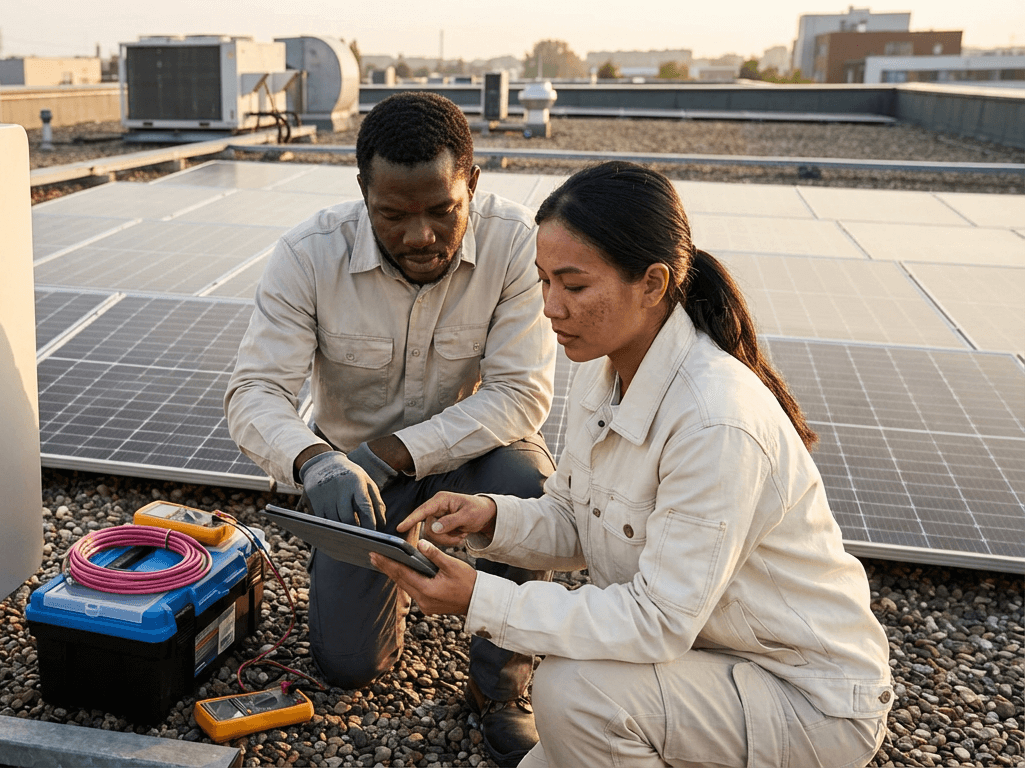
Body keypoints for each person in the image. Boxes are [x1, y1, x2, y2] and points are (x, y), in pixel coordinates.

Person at [372, 161, 895, 767]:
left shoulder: (714, 421)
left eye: (574, 285)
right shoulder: (610, 374)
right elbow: (578, 518)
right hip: (708, 664)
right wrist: (488, 518)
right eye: (542, 281)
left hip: (806, 697)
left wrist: (479, 600)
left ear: (652, 283)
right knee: (567, 723)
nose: (550, 308)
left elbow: (656, 621)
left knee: (574, 691)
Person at [225, 92, 557, 766]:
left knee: (531, 486)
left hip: (472, 466)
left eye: (442, 212)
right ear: (362, 193)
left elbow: (521, 394)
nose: (419, 237)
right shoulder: (309, 254)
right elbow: (254, 392)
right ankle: (380, 580)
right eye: (392, 215)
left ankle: (502, 681)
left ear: (474, 183)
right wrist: (317, 461)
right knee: (349, 666)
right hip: (358, 488)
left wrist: (394, 451)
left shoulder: (519, 245)